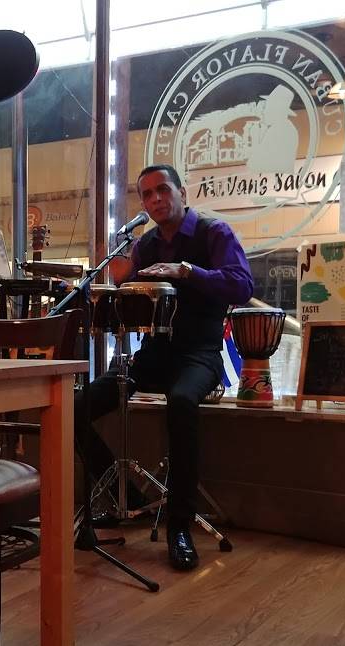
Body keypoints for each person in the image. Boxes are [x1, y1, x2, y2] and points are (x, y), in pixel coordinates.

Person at [76, 164, 253, 571]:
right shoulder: (146, 244)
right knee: (78, 406)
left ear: (181, 192)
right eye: (147, 194)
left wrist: (186, 271)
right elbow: (135, 299)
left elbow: (242, 286)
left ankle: (179, 527)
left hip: (200, 353)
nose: (156, 199)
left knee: (182, 402)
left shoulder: (214, 233)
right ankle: (123, 497)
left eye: (163, 190)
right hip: (154, 355)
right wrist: (111, 293)